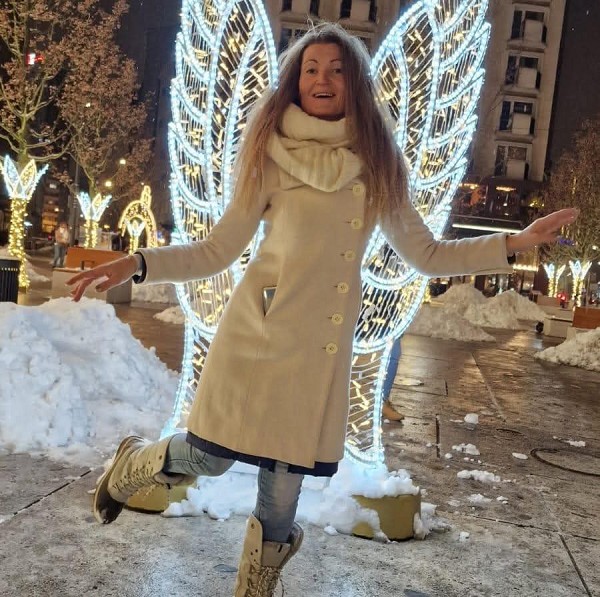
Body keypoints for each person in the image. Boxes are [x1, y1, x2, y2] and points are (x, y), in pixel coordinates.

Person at [66, 24, 578, 597]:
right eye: (310, 68)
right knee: (208, 458)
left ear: (354, 82)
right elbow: (217, 251)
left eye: (336, 68)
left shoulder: (378, 164)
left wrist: (514, 243)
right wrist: (137, 262)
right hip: (258, 336)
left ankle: (255, 586)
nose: (322, 78)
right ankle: (132, 465)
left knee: (282, 493)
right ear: (295, 82)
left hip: (317, 353)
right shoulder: (269, 155)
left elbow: (427, 255)